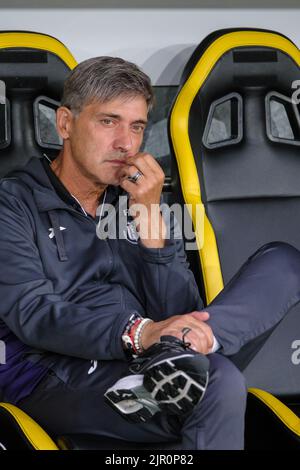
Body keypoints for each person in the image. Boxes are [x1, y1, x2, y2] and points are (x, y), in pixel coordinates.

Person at [0, 56, 300, 450]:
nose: (125, 143)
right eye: (108, 122)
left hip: (156, 358)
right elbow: (34, 314)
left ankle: (185, 354)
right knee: (217, 381)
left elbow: (181, 307)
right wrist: (140, 333)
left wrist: (151, 220)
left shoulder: (137, 198)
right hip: (55, 375)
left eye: (137, 127)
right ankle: (181, 362)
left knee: (284, 263)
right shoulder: (12, 203)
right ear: (66, 124)